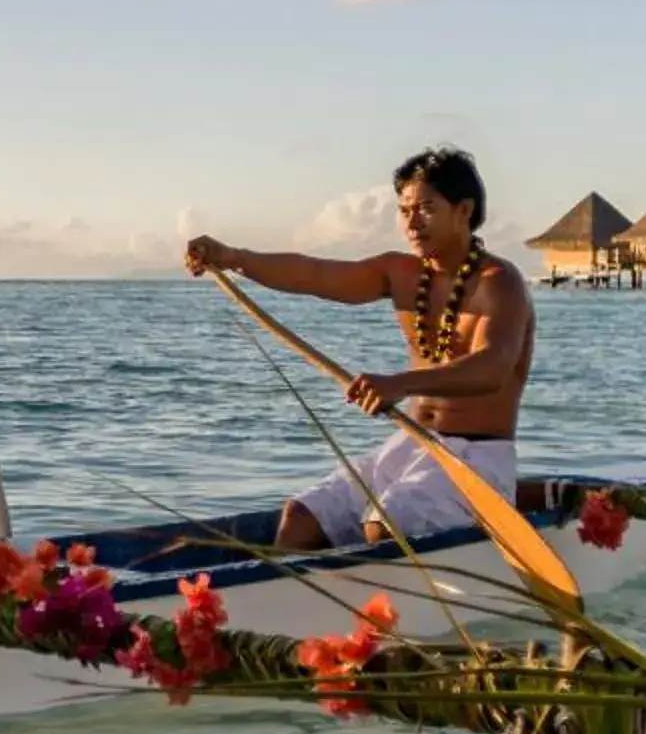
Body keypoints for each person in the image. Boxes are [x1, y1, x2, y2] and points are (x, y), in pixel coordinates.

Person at [183, 145, 534, 552]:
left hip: (480, 459)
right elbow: (313, 274)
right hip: (413, 444)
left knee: (383, 526)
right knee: (299, 518)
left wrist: (399, 384)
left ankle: (384, 605)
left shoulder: (499, 282)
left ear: (464, 210)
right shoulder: (401, 273)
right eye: (404, 211)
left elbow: (492, 369)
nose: (412, 222)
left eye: (426, 208)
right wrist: (232, 257)